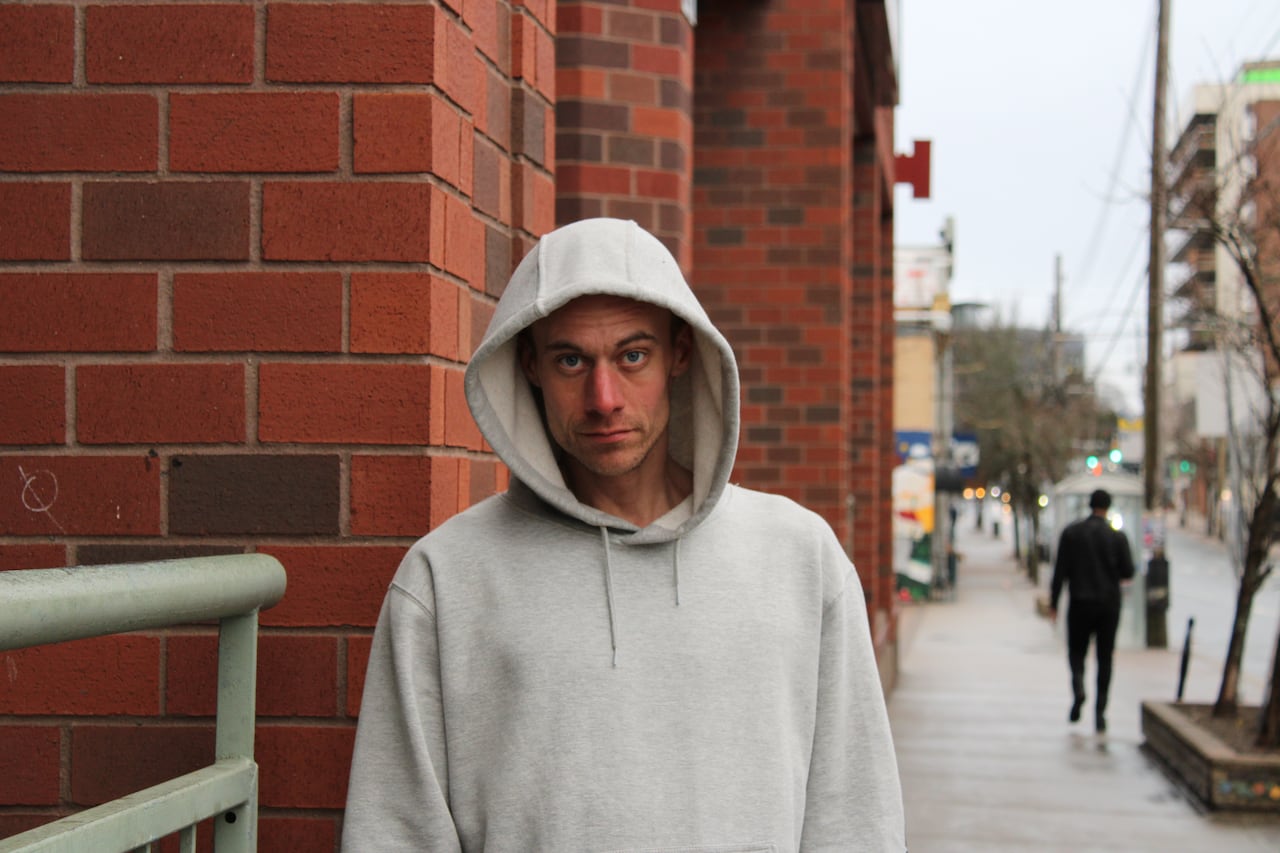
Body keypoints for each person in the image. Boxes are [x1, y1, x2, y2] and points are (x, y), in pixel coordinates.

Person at [341, 218, 906, 851]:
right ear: (528, 366)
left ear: (681, 354)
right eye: (570, 360)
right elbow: (395, 830)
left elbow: (856, 818)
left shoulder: (799, 557)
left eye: (632, 356)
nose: (603, 397)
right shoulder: (447, 577)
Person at [1048, 488, 1136, 734]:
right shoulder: (1117, 537)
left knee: (1076, 652)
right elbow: (1128, 571)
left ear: (1089, 505)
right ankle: (1100, 713)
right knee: (1105, 658)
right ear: (1108, 507)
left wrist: (1054, 603)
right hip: (1108, 605)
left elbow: (1060, 572)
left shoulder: (1072, 533)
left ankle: (1078, 689)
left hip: (1079, 602)